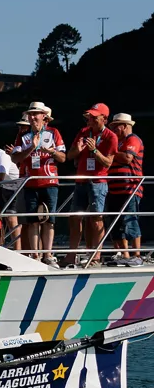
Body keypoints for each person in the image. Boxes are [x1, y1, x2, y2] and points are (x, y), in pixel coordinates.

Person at [8, 101, 66, 266]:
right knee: (32, 221)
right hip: (30, 183)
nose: (32, 117)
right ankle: (35, 256)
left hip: (50, 182)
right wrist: (31, 148)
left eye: (36, 114)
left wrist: (52, 151)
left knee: (49, 220)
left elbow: (63, 158)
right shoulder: (23, 135)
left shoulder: (54, 133)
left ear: (44, 116)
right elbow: (15, 158)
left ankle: (48, 255)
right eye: (30, 114)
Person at [66, 103, 119, 268]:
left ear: (104, 118)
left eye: (94, 117)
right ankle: (71, 255)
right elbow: (69, 156)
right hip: (81, 180)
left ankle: (96, 256)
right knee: (75, 217)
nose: (90, 119)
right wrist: (79, 149)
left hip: (98, 182)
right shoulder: (83, 132)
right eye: (89, 116)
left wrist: (94, 150)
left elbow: (108, 163)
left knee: (96, 219)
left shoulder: (111, 136)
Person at [107, 113, 144, 265]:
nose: (114, 129)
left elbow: (128, 158)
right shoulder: (118, 142)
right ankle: (125, 255)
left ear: (125, 126)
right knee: (117, 222)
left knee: (130, 220)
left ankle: (137, 255)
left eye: (116, 126)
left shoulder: (133, 139)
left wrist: (110, 153)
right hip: (115, 188)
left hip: (130, 188)